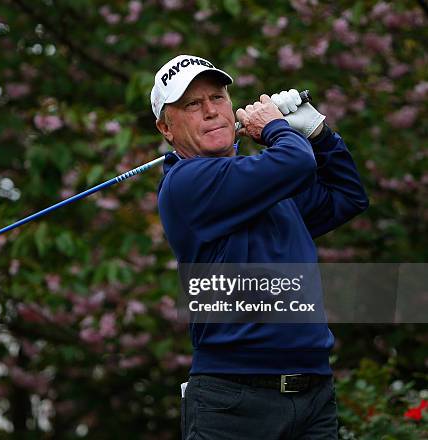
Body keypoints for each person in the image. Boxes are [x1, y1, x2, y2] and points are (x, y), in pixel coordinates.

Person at [151, 55, 369, 439]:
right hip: (233, 403)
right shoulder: (185, 183)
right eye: (191, 104)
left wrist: (320, 134)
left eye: (217, 98)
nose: (210, 111)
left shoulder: (265, 182)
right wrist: (276, 128)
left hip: (313, 396)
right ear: (166, 128)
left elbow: (347, 196)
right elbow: (294, 163)